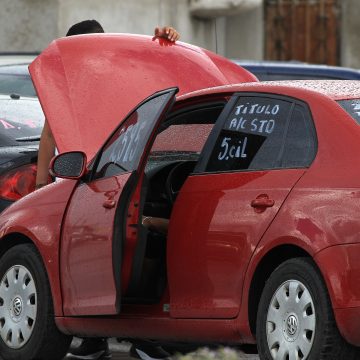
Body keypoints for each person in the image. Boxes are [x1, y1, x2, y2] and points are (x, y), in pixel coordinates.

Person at [34, 19, 179, 360]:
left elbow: (154, 70)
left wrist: (164, 41)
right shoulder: (67, 85)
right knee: (86, 260)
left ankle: (140, 337)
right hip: (78, 181)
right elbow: (50, 133)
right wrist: (42, 187)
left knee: (121, 255)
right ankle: (95, 337)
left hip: (116, 178)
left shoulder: (115, 75)